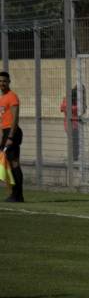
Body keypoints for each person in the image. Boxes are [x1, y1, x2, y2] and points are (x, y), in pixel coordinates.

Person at [0, 71, 24, 203]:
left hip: (12, 132)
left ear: (9, 82)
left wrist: (10, 137)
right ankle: (14, 193)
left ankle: (18, 195)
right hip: (5, 132)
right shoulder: (1, 98)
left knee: (14, 163)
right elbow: (2, 120)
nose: (2, 83)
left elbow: (15, 118)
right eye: (0, 81)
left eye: (4, 81)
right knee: (8, 163)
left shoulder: (12, 96)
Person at [60, 85, 83, 160]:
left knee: (74, 141)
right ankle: (74, 157)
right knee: (74, 141)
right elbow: (63, 108)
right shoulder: (72, 100)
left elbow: (63, 108)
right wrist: (76, 107)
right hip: (71, 124)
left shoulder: (76, 100)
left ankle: (74, 157)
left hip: (73, 124)